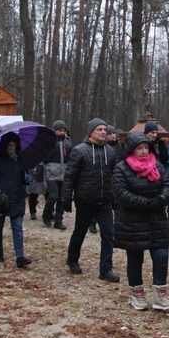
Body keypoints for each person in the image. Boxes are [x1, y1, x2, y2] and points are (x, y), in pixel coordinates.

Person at [113, 132, 169, 310]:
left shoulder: (157, 164)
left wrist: (160, 200)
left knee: (161, 255)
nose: (143, 151)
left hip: (157, 219)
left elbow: (167, 185)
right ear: (131, 149)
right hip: (133, 221)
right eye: (139, 148)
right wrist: (146, 203)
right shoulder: (122, 168)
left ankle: (160, 295)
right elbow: (121, 194)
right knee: (135, 257)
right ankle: (137, 293)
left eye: (146, 147)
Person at [62, 118, 119, 282]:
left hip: (105, 201)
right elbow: (70, 176)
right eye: (99, 129)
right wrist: (66, 198)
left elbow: (114, 177)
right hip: (85, 200)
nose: (102, 132)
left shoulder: (111, 152)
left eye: (104, 130)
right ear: (91, 132)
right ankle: (72, 259)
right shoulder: (79, 151)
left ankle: (105, 269)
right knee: (79, 232)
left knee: (108, 235)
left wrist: (115, 198)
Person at [0, 132, 33, 267]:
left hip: (17, 197)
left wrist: (27, 179)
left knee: (17, 227)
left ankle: (20, 256)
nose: (11, 148)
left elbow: (24, 175)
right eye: (9, 145)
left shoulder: (21, 159)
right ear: (4, 146)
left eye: (14, 145)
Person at [42, 120, 71, 230]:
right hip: (51, 174)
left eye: (63, 130)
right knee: (53, 196)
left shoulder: (68, 142)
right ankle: (46, 214)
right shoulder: (49, 143)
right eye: (59, 130)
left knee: (62, 199)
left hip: (64, 173)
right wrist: (41, 172)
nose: (62, 132)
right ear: (54, 131)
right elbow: (43, 159)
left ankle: (58, 220)